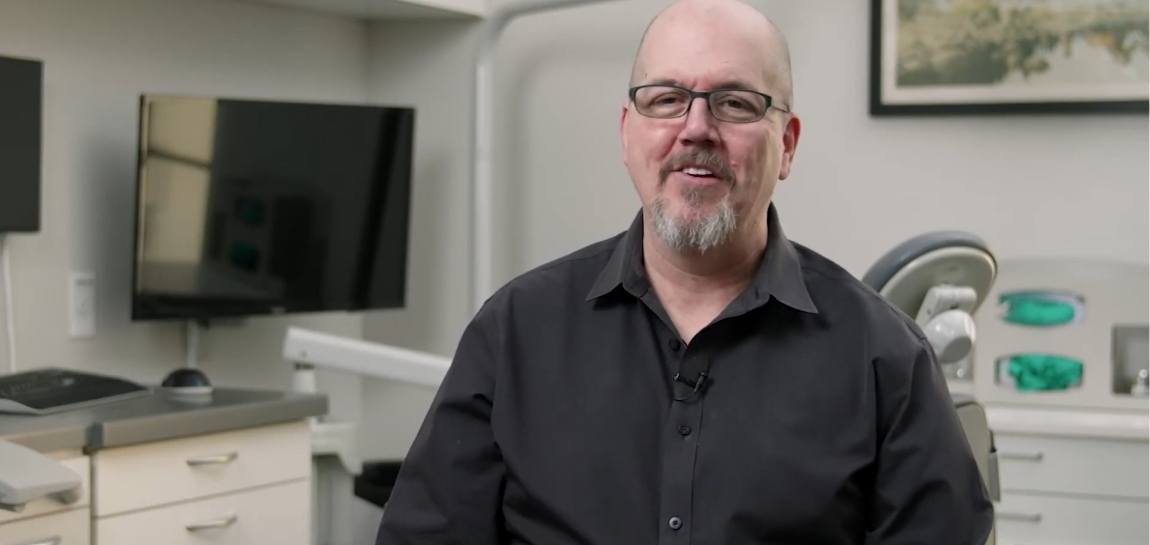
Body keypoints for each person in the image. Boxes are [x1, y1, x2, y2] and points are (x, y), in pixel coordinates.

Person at [376, 0, 994, 543]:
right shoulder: (515, 331)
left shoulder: (885, 358)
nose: (696, 129)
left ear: (789, 145)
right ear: (627, 134)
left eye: (734, 103)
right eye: (667, 99)